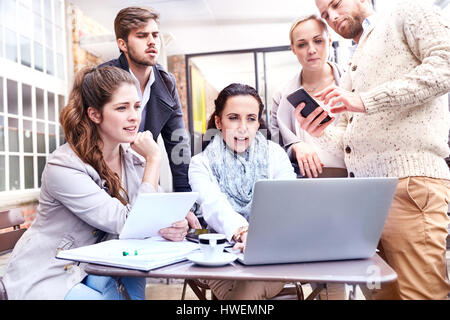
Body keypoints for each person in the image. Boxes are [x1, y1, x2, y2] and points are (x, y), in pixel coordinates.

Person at [296, 0, 450, 300]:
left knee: (419, 294)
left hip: (409, 184)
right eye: (326, 15)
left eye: (336, 4)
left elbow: (445, 65)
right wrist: (321, 131)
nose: (333, 17)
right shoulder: (357, 56)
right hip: (366, 198)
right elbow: (349, 136)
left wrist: (366, 101)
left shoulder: (408, 12)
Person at [1, 66, 189, 300]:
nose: (134, 116)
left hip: (96, 265)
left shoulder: (132, 159)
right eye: (122, 108)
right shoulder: (64, 166)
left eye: (137, 106)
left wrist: (173, 225)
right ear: (95, 114)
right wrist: (154, 160)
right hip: (51, 272)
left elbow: (153, 215)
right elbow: (128, 222)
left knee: (132, 274)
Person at [188, 83, 296, 299]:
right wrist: (244, 233)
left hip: (270, 254)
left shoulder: (274, 154)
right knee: (242, 293)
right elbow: (214, 205)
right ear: (218, 121)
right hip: (220, 256)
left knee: (245, 292)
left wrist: (260, 239)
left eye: (251, 118)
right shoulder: (200, 163)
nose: (243, 127)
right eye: (234, 117)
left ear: (258, 123)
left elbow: (287, 200)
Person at [100, 7, 200, 229]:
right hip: (103, 179)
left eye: (155, 35)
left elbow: (178, 142)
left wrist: (185, 200)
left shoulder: (166, 83)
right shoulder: (101, 79)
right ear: (122, 44)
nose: (152, 41)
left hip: (143, 175)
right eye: (142, 35)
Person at [271, 14, 346, 179]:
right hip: (303, 184)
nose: (311, 50)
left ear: (329, 40)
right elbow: (274, 147)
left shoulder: (352, 83)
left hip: (353, 180)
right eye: (302, 44)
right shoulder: (282, 94)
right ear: (293, 49)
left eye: (318, 41)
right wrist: (295, 146)